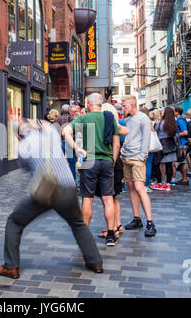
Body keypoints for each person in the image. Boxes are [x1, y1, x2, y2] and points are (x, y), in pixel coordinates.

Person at [0, 118, 103, 279]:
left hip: (46, 190)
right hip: (69, 187)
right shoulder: (51, 133)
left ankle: (11, 266)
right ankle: (95, 262)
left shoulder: (24, 147)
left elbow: (25, 167)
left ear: (18, 136)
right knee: (78, 223)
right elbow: (47, 124)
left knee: (14, 222)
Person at [63, 93, 121, 246]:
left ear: (89, 104)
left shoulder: (83, 118)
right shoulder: (110, 119)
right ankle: (110, 235)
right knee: (108, 199)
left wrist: (75, 147)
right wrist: (112, 161)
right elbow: (117, 144)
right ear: (100, 104)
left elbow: (65, 132)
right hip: (107, 162)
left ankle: (85, 236)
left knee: (87, 200)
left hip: (89, 162)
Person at [120, 96, 157, 237]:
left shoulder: (143, 118)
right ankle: (137, 218)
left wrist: (142, 156)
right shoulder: (128, 119)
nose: (123, 108)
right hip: (127, 157)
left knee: (140, 188)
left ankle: (150, 222)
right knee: (131, 188)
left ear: (132, 104)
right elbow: (129, 137)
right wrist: (124, 153)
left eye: (125, 105)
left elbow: (146, 138)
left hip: (137, 158)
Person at [97, 103, 129, 239]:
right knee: (112, 196)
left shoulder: (112, 125)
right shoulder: (114, 125)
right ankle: (117, 225)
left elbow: (125, 131)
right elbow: (125, 131)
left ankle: (114, 227)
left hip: (111, 163)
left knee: (109, 197)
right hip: (114, 163)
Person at [150, 107, 177, 191]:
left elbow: (156, 134)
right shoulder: (173, 123)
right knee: (169, 165)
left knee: (156, 165)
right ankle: (168, 184)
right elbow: (176, 136)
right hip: (171, 147)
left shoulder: (160, 123)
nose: (161, 112)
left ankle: (160, 183)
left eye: (163, 111)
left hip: (161, 147)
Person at [140, 107, 155, 193]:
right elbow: (153, 133)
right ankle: (145, 185)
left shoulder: (138, 121)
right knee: (148, 165)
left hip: (140, 146)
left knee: (140, 166)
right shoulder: (149, 122)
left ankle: (140, 184)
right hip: (149, 147)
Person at [174, 106, 189, 186]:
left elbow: (185, 132)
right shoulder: (180, 120)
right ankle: (184, 179)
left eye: (174, 111)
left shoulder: (180, 120)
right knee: (181, 162)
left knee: (183, 162)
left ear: (177, 112)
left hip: (182, 144)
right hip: (182, 143)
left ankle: (185, 179)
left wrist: (176, 135)